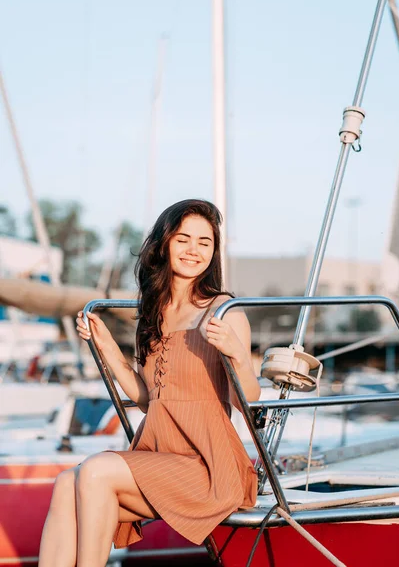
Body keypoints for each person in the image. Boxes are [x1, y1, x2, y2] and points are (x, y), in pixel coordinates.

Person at [38, 199, 261, 567]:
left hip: (207, 465)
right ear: (165, 244)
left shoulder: (222, 310)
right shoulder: (152, 314)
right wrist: (106, 346)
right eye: (183, 239)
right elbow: (147, 400)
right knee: (66, 481)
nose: (193, 250)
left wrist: (236, 354)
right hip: (160, 455)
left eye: (204, 242)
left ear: (214, 252)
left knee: (94, 471)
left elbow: (248, 401)